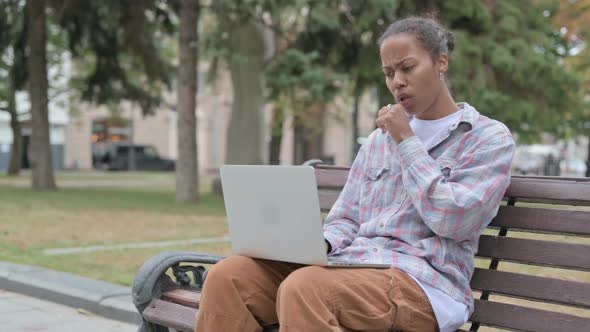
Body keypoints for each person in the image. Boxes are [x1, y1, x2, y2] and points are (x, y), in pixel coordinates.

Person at [195, 16, 515, 332]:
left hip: (426, 284)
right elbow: (346, 218)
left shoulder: (487, 138)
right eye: (389, 73)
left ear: (441, 63)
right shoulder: (379, 140)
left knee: (306, 287)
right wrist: (320, 245)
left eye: (407, 67)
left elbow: (454, 220)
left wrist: (407, 141)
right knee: (229, 277)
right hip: (355, 267)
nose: (396, 82)